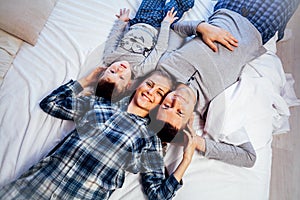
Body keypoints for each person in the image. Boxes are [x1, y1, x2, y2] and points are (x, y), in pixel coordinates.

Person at [142, 0, 300, 167]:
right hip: (260, 23)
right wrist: (196, 142)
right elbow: (248, 157)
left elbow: (175, 28)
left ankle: (279, 33)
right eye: (180, 112)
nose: (176, 101)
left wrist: (202, 27)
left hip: (226, 9)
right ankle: (278, 31)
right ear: (189, 121)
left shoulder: (166, 67)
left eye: (166, 106)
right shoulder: (215, 106)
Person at [0, 69, 198, 199]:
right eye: (149, 85)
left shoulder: (150, 140)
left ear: (159, 104)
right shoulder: (98, 105)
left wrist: (186, 159)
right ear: (137, 85)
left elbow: (158, 195)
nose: (151, 92)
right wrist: (86, 80)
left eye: (159, 93)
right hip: (35, 187)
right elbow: (51, 104)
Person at [102, 0, 195, 78]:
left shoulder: (109, 58)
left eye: (113, 72)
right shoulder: (140, 70)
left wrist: (121, 22)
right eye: (121, 77)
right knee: (182, 3)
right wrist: (166, 24)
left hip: (140, 19)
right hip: (159, 25)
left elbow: (113, 37)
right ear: (128, 85)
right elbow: (160, 48)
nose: (119, 70)